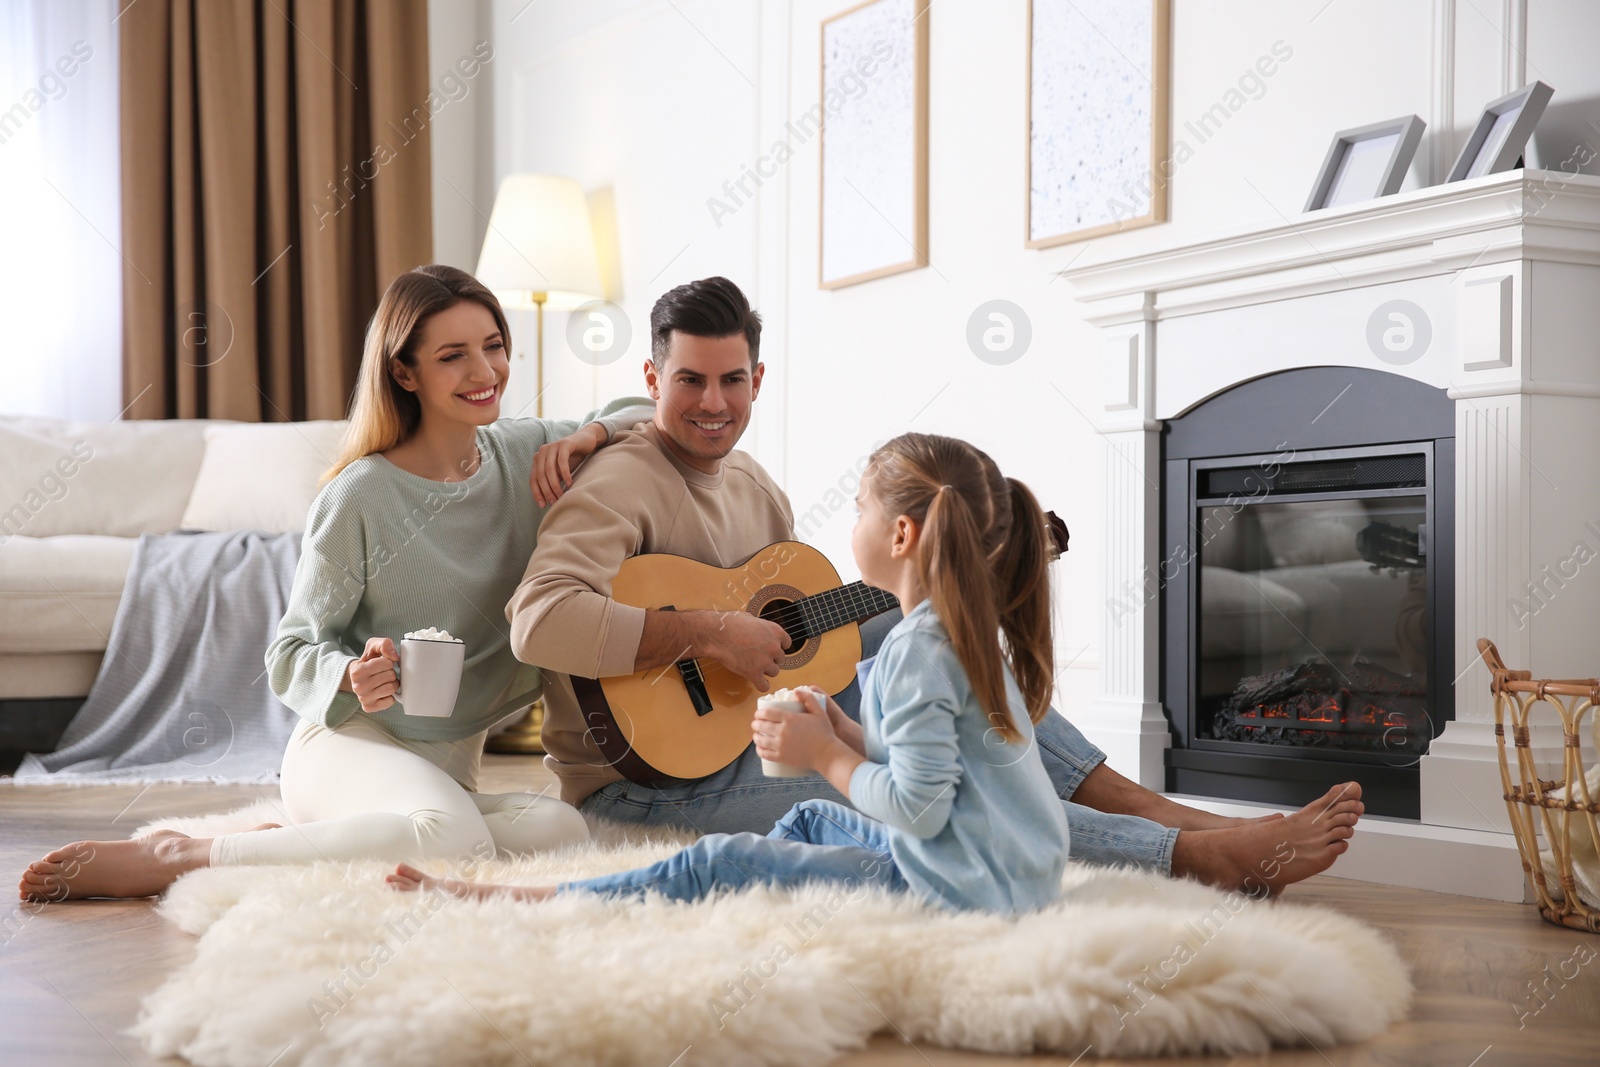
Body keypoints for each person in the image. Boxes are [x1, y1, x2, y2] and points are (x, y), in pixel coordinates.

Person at [502, 275, 1362, 897]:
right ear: (652, 380)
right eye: (688, 379)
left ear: (758, 380)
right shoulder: (614, 478)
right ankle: (1191, 856)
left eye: (732, 379)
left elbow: (798, 634)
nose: (713, 401)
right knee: (947, 801)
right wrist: (704, 632)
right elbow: (538, 623)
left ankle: (1173, 816)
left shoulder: (756, 487)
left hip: (740, 732)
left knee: (933, 640)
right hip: (649, 784)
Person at [19, 265, 654, 902]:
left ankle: (303, 839)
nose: (485, 372)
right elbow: (292, 649)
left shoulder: (530, 453)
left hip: (446, 768)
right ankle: (186, 852)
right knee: (454, 840)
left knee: (562, 830)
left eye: (493, 346)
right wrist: (350, 676)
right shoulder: (361, 494)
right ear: (404, 373)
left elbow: (650, 412)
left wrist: (591, 434)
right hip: (349, 746)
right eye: (453, 356)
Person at [391, 433, 1073, 912]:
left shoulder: (910, 651)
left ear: (900, 537)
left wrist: (825, 753)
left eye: (861, 507)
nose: (852, 520)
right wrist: (850, 734)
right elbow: (936, 772)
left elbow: (920, 810)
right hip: (1016, 872)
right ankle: (757, 891)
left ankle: (538, 899)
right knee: (806, 814)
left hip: (961, 887)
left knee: (716, 860)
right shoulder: (959, 634)